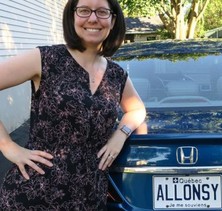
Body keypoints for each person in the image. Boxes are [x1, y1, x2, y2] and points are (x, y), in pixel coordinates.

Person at [0, 0, 146, 209]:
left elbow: (137, 109)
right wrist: (8, 146)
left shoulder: (116, 75)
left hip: (89, 197)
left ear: (113, 21)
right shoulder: (44, 58)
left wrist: (120, 134)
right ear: (72, 17)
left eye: (102, 12)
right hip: (35, 194)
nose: (93, 18)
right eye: (84, 10)